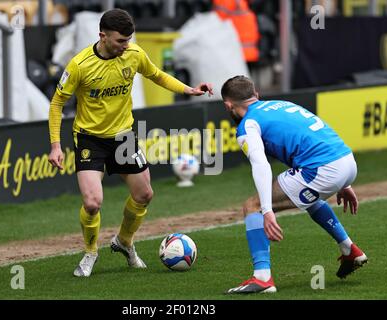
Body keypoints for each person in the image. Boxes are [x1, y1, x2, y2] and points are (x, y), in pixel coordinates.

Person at [47, 9, 213, 277]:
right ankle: (90, 252)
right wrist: (56, 145)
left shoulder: (134, 54)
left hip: (123, 137)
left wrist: (188, 89)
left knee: (144, 195)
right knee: (92, 203)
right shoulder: (80, 65)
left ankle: (124, 242)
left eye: (128, 40)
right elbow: (57, 104)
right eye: (120, 41)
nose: (126, 46)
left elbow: (157, 74)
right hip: (90, 138)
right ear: (102, 36)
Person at [220, 75, 367, 294]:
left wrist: (266, 210)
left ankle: (262, 278)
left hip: (323, 168)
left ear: (228, 105)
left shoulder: (247, 125)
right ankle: (349, 249)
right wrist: (343, 182)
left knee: (253, 205)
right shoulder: (282, 104)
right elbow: (314, 136)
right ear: (256, 95)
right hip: (346, 160)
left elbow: (261, 166)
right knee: (304, 194)